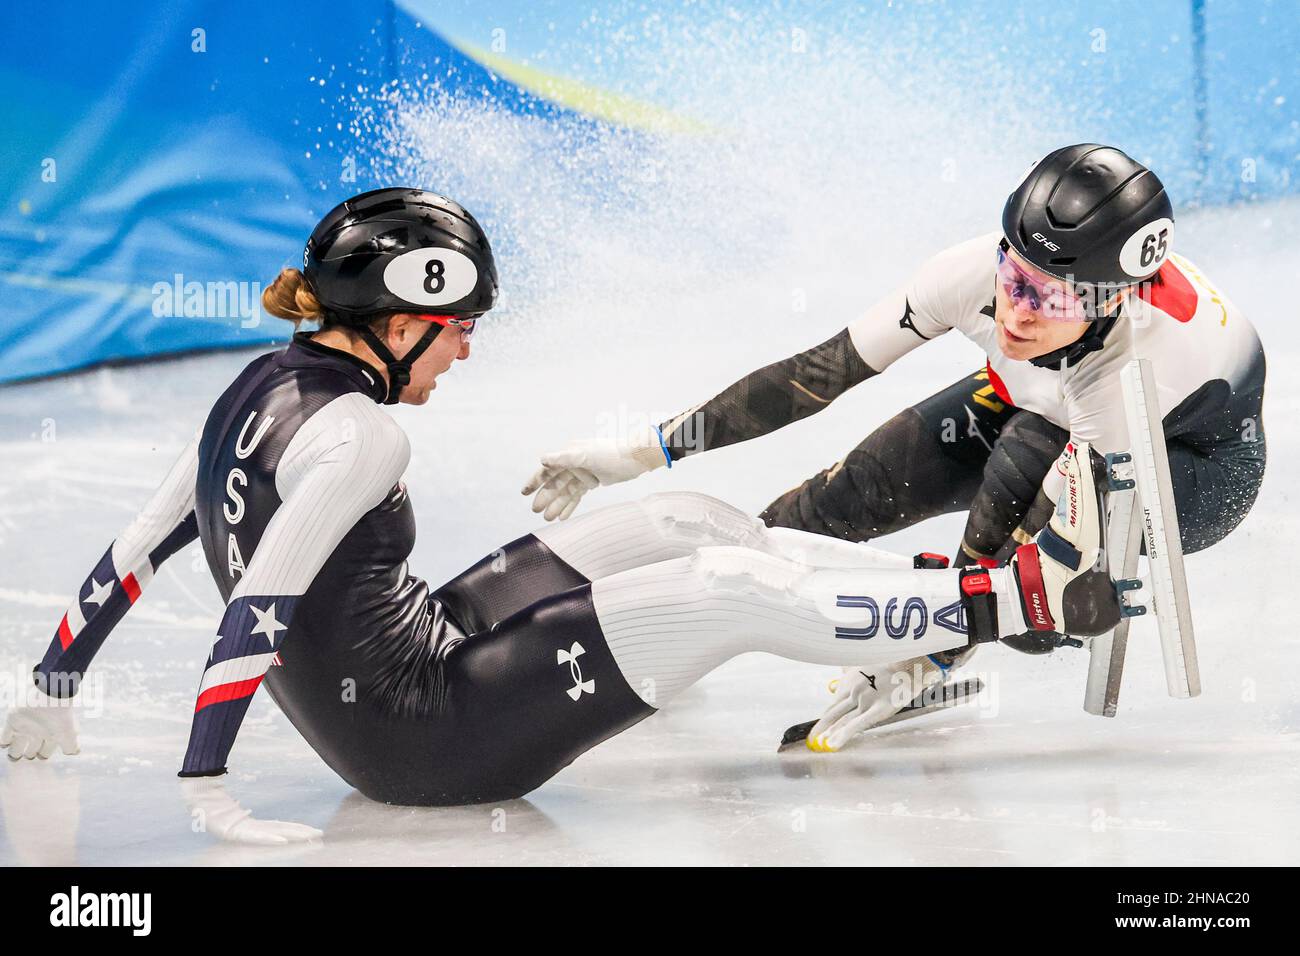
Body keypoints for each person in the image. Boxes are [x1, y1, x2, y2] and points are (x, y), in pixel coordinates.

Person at [2, 187, 1104, 843]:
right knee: (721, 597)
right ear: (397, 320)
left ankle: (888, 603)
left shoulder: (257, 388)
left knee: (685, 526)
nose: (470, 345)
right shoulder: (366, 435)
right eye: (459, 323)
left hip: (417, 650)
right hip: (425, 742)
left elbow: (132, 553)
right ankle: (998, 603)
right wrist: (208, 788)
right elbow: (256, 609)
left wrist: (56, 688)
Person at [524, 143, 1267, 750]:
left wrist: (941, 643)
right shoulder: (968, 273)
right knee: (820, 509)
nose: (1014, 309)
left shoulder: (1137, 372)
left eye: (1052, 297)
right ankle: (666, 620)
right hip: (1044, 405)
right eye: (1013, 274)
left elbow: (1048, 578)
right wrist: (645, 451)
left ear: (1112, 301)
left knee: (1028, 576)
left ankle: (939, 654)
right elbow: (815, 376)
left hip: (1191, 460)